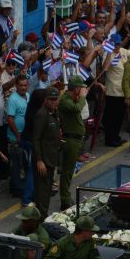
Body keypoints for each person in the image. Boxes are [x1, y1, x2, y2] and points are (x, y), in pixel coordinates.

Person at [58, 75, 87, 211]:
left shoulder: (71, 99)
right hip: (70, 140)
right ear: (76, 88)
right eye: (80, 87)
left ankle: (66, 196)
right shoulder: (65, 100)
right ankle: (65, 199)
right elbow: (76, 109)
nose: (82, 89)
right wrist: (83, 97)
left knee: (69, 170)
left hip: (75, 139)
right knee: (67, 172)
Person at [32, 87, 62, 217]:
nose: (54, 102)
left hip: (51, 158)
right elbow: (36, 139)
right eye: (51, 100)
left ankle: (43, 215)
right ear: (45, 100)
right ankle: (41, 219)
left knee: (47, 189)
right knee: (42, 192)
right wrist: (39, 160)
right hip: (43, 160)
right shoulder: (42, 114)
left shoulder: (53, 113)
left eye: (56, 99)